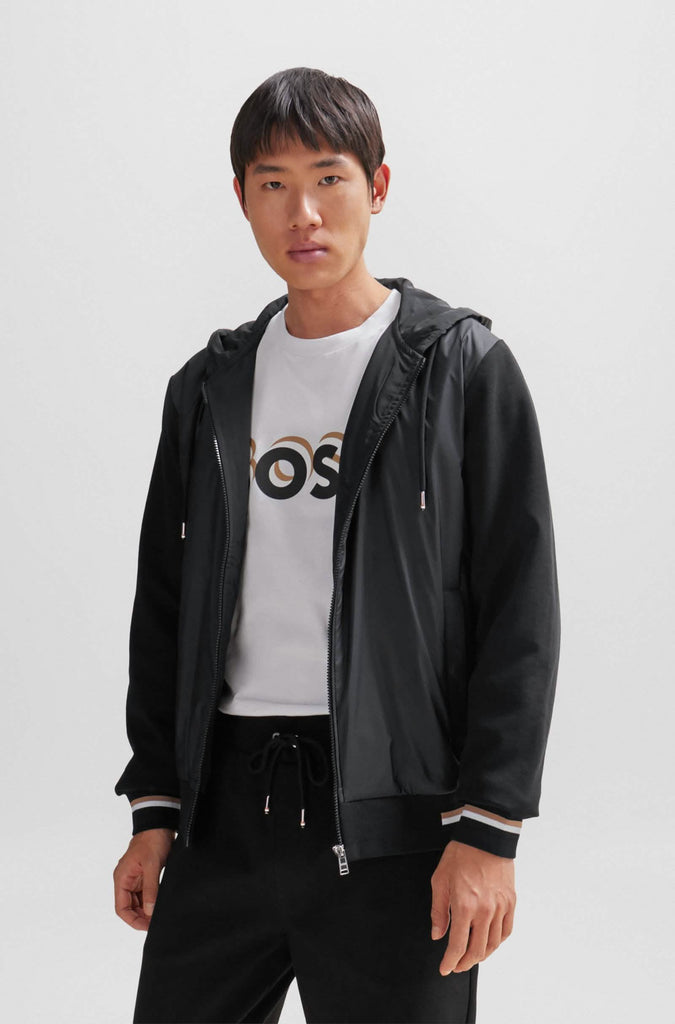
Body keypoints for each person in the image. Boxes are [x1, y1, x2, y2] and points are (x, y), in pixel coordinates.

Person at [112, 66, 561, 1024]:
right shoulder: (207, 387)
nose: (302, 213)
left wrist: (489, 829)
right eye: (272, 184)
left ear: (378, 186)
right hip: (223, 813)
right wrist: (155, 808)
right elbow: (164, 603)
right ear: (241, 199)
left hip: (396, 820)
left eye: (328, 179)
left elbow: (519, 609)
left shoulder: (459, 368)